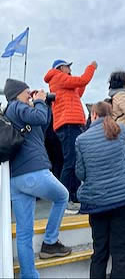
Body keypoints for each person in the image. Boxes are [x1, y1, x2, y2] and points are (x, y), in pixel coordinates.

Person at [4, 79, 71, 279]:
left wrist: (44, 104)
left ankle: (29, 275)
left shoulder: (15, 113)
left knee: (24, 234)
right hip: (33, 173)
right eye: (27, 93)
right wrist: (40, 100)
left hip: (16, 179)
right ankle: (50, 241)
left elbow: (42, 124)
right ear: (17, 94)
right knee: (62, 196)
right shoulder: (17, 106)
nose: (30, 96)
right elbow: (40, 118)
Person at [75, 101, 125, 279]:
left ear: (93, 114)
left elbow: (81, 173)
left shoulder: (81, 139)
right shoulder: (121, 130)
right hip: (124, 200)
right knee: (121, 256)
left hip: (97, 203)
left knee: (100, 253)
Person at [44, 59, 97, 211]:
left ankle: (73, 196)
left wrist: (83, 81)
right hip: (68, 124)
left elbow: (78, 90)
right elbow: (82, 79)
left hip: (71, 123)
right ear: (61, 67)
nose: (69, 68)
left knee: (74, 161)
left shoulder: (63, 82)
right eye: (68, 66)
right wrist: (91, 67)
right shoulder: (58, 77)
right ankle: (63, 198)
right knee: (70, 161)